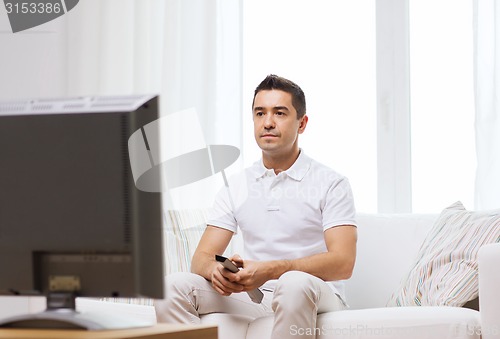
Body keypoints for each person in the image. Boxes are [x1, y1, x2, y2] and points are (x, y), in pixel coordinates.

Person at [155, 74, 358, 339]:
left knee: (293, 283)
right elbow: (201, 258)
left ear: (302, 123)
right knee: (172, 287)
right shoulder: (237, 185)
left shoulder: (332, 183)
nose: (268, 122)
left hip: (317, 293)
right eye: (260, 113)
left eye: (280, 113)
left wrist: (271, 269)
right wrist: (216, 271)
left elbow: (343, 263)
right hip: (258, 298)